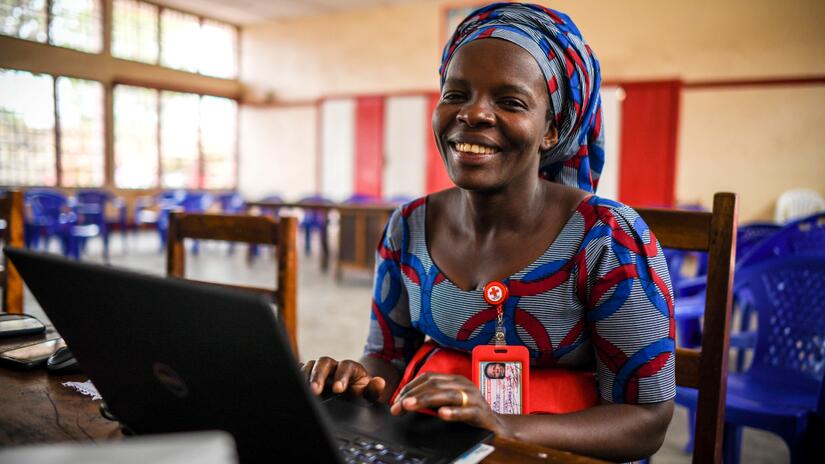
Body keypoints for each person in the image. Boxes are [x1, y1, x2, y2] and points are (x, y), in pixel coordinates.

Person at [302, 3, 675, 461]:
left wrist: (502, 426)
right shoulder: (409, 227)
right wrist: (353, 380)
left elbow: (647, 421)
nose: (473, 114)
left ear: (551, 130)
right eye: (456, 94)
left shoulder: (608, 239)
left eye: (510, 102)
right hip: (437, 444)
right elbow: (388, 360)